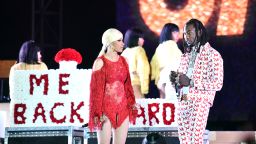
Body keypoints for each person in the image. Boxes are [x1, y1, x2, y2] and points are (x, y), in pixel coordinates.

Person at [170, 19, 224, 144]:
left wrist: (192, 82)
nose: (186, 36)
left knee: (195, 139)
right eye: (184, 33)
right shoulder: (185, 56)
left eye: (189, 32)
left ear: (199, 32)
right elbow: (182, 82)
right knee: (184, 140)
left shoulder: (213, 55)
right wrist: (176, 82)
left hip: (200, 100)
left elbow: (217, 83)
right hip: (183, 99)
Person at [88, 28, 138, 144]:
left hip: (123, 109)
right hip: (105, 111)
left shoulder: (124, 61)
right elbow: (95, 91)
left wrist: (131, 103)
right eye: (119, 41)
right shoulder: (100, 62)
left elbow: (128, 86)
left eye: (122, 40)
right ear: (110, 43)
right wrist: (97, 113)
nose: (123, 44)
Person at [150, 23, 182, 99]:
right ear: (168, 33)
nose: (177, 35)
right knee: (172, 105)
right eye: (174, 32)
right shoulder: (172, 45)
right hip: (171, 79)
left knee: (164, 106)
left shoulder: (159, 47)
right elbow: (178, 63)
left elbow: (153, 64)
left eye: (178, 33)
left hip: (161, 80)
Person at [121, 28, 150, 98]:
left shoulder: (124, 53)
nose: (143, 40)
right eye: (141, 38)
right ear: (135, 39)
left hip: (123, 87)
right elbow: (143, 69)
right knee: (141, 107)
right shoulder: (139, 50)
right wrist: (144, 88)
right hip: (136, 86)